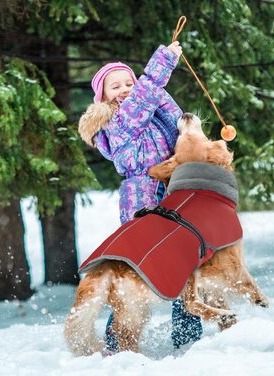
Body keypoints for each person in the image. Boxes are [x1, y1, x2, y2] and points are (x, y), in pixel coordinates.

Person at [78, 41, 202, 354]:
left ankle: (188, 338)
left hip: (172, 191)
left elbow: (176, 124)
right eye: (114, 85)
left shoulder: (147, 111)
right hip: (143, 200)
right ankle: (117, 342)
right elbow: (146, 93)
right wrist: (165, 60)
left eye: (129, 82)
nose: (124, 89)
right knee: (137, 273)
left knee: (185, 265)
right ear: (103, 97)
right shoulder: (116, 123)